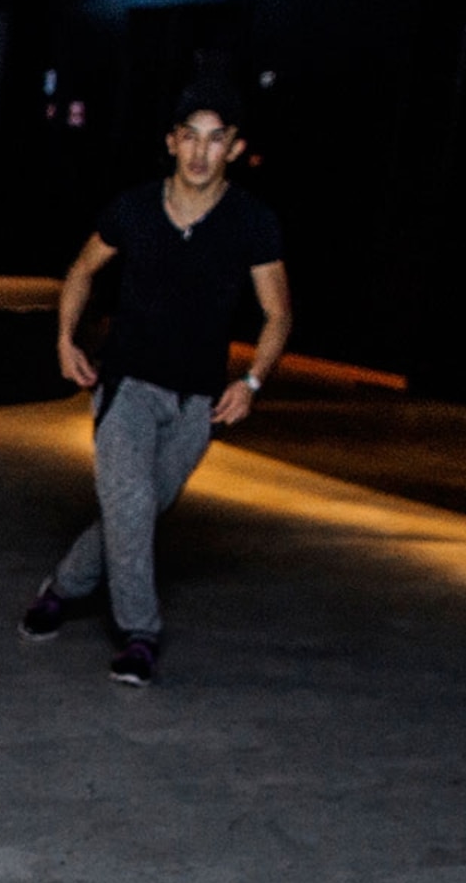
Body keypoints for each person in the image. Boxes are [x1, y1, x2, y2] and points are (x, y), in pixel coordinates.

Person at [18, 84, 294, 687]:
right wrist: (65, 339)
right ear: (171, 142)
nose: (199, 152)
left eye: (215, 139)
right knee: (133, 505)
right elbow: (81, 271)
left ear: (236, 148)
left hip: (199, 399)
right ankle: (141, 634)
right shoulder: (135, 208)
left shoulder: (252, 221)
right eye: (189, 136)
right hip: (127, 387)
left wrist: (251, 380)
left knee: (139, 510)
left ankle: (62, 587)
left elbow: (278, 314)